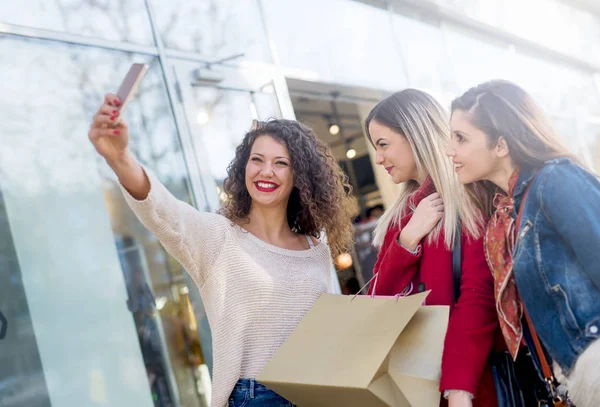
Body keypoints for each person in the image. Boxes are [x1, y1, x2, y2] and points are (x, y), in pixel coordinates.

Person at [88, 93, 356, 407]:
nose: (265, 171)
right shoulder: (219, 238)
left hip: (318, 393)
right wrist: (119, 157)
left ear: (299, 178)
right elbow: (163, 211)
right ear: (244, 166)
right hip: (257, 397)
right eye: (257, 159)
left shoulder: (316, 250)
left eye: (280, 163)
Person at [447, 79, 600, 407]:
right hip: (573, 381)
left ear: (501, 144)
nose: (450, 150)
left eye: (460, 138)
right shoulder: (506, 215)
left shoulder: (555, 181)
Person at [365, 89, 498, 407]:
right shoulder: (399, 218)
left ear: (415, 134)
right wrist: (408, 240)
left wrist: (458, 390)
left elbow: (477, 297)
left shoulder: (469, 197)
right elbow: (378, 303)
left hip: (470, 384)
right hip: (417, 387)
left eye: (383, 145)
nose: (379, 158)